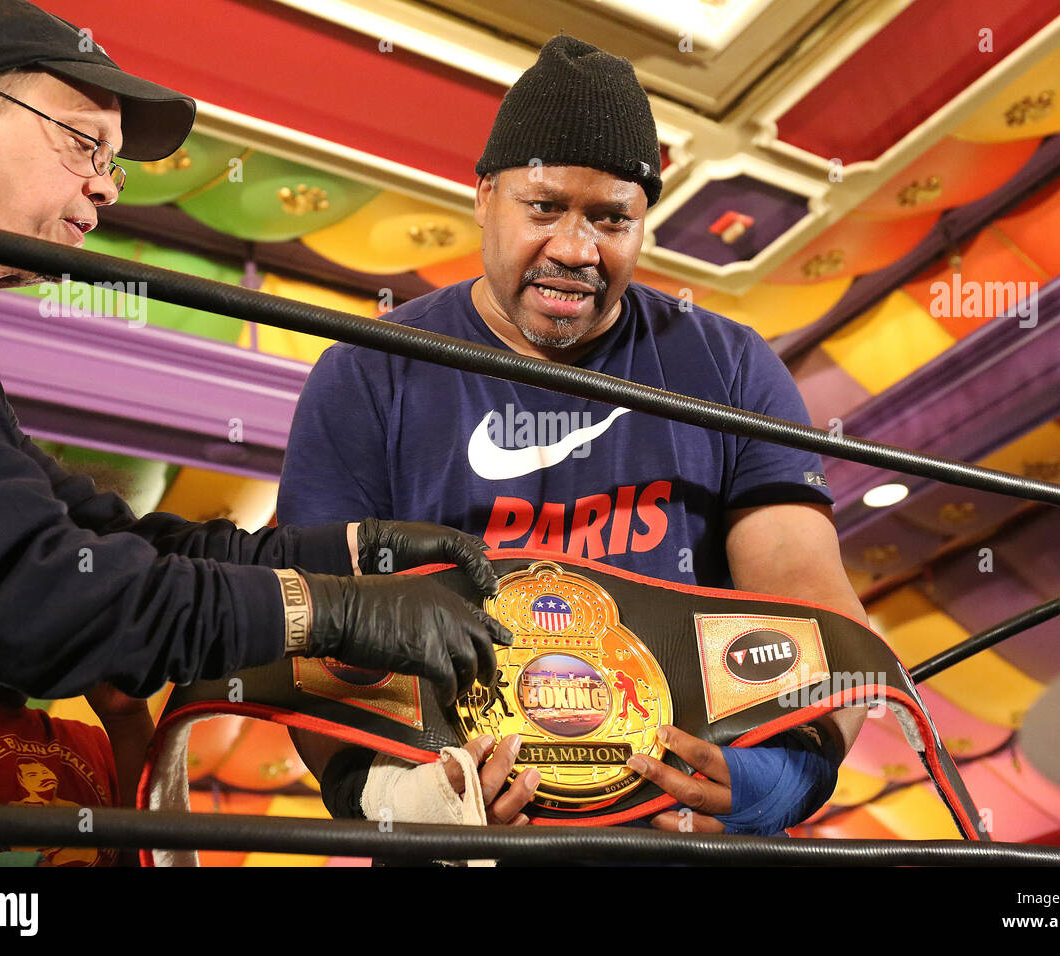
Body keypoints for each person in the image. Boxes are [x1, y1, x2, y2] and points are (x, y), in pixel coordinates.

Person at [0, 0, 509, 867]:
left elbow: (106, 536)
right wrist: (331, 611)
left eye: (113, 163)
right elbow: (39, 595)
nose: (105, 183)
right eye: (82, 143)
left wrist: (356, 555)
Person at [279, 35, 870, 839]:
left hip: (681, 845)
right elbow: (313, 634)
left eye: (610, 219)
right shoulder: (365, 373)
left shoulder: (728, 362)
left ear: (644, 224)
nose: (574, 250)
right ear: (484, 196)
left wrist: (783, 777)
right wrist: (401, 805)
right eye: (544, 207)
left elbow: (811, 601)